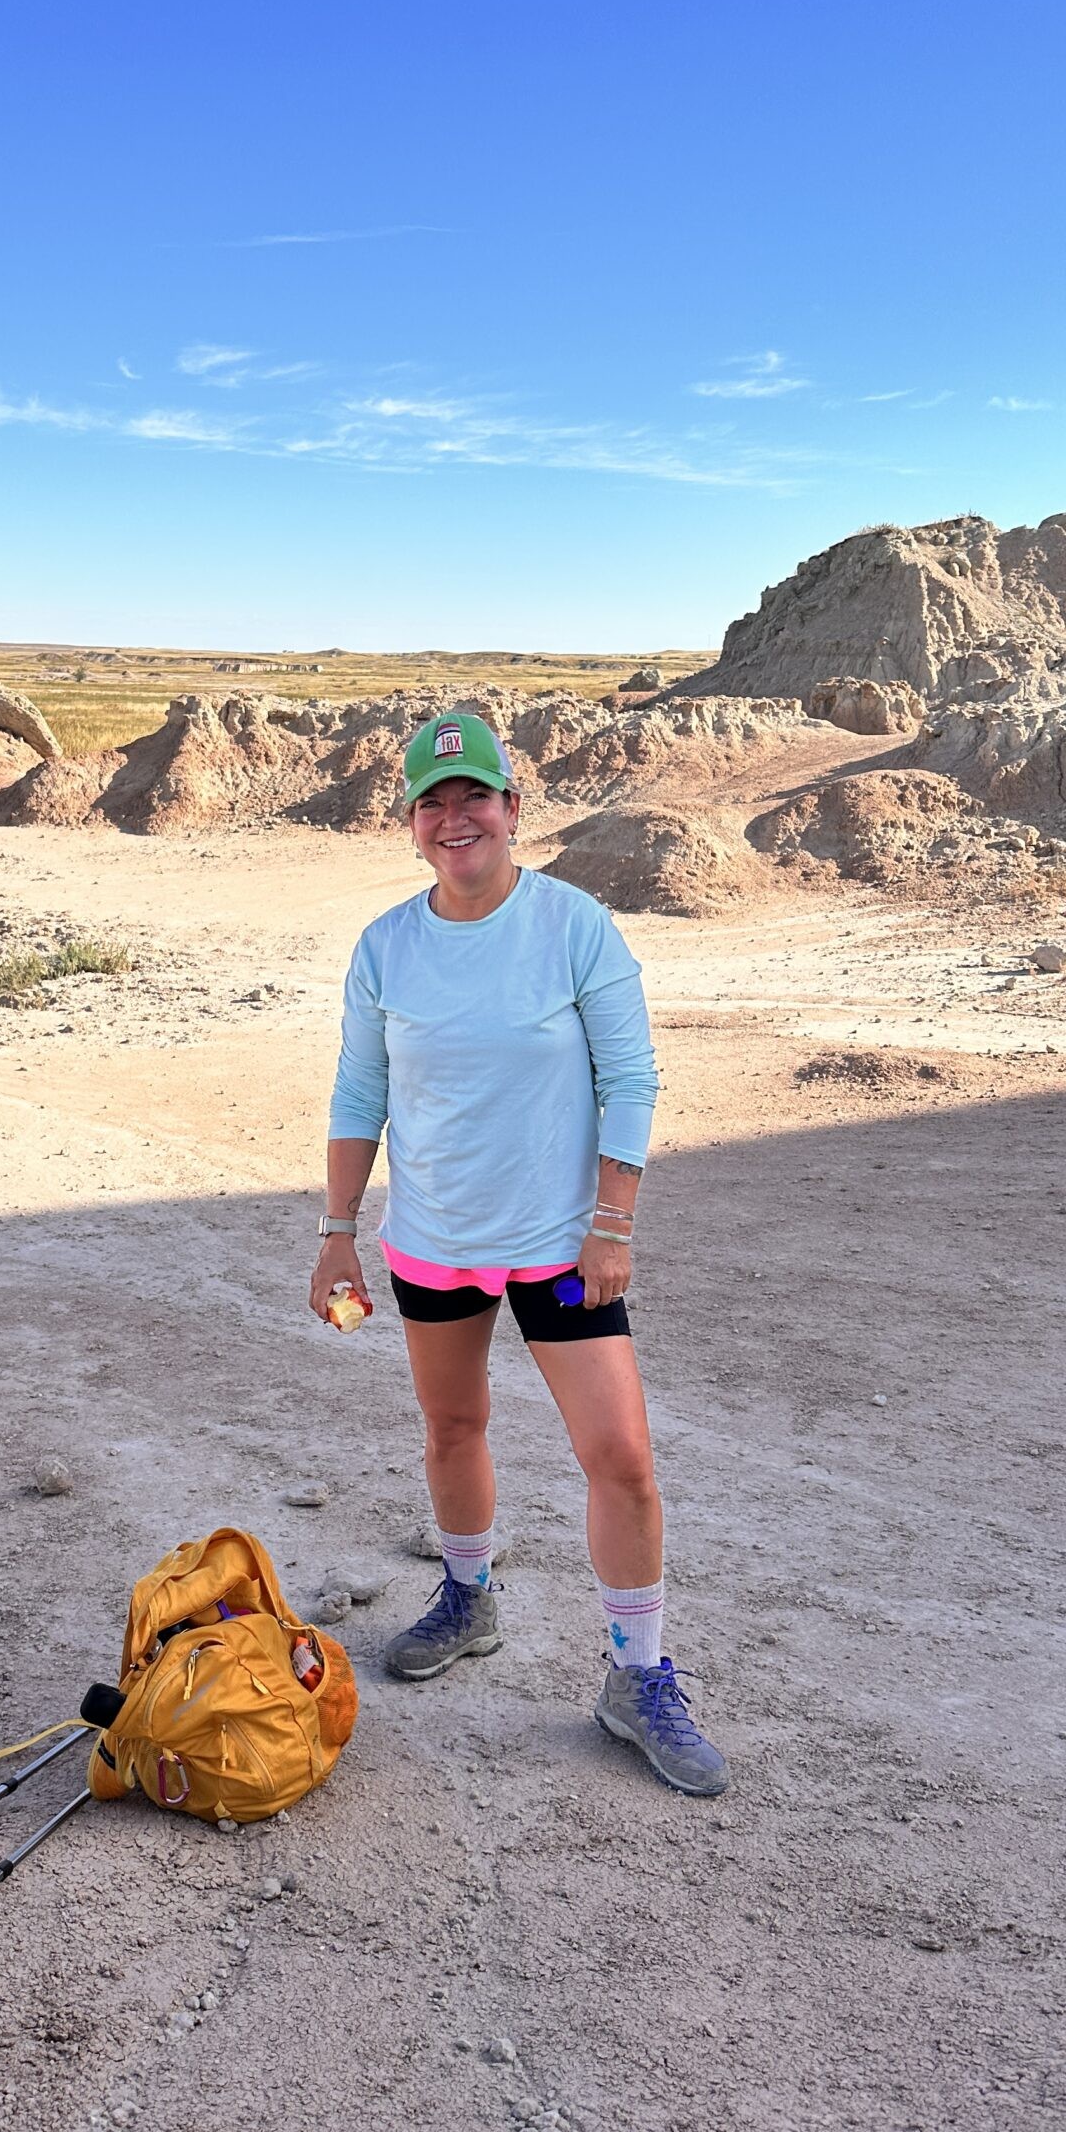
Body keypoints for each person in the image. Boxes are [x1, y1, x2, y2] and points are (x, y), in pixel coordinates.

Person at [310, 710, 727, 1797]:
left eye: (475, 797)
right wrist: (337, 1232)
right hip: (435, 1237)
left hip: (558, 1244)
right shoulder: (387, 946)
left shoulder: (575, 926)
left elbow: (630, 1078)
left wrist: (614, 1222)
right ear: (408, 823)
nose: (457, 819)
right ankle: (469, 1594)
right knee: (453, 1427)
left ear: (512, 809)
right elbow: (363, 1091)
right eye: (432, 802)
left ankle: (637, 1676)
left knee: (621, 1459)